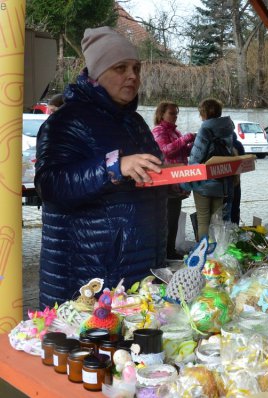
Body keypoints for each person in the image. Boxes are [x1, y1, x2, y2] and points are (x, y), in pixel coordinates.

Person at [35, 27, 167, 308]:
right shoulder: (65, 122)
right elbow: (50, 185)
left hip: (138, 271)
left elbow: (150, 175)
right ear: (96, 74)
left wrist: (176, 179)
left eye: (136, 68)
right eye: (121, 68)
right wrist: (113, 168)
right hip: (87, 278)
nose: (132, 75)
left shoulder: (136, 124)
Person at [151, 101, 196, 259]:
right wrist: (186, 138)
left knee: (173, 218)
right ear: (161, 114)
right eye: (171, 113)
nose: (175, 117)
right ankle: (164, 252)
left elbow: (181, 151)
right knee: (166, 220)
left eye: (176, 114)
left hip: (178, 182)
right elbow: (166, 151)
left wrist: (194, 145)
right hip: (166, 183)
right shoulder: (158, 130)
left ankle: (170, 250)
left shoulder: (175, 132)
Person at [187, 98, 235, 239]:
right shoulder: (228, 128)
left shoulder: (205, 129)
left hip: (204, 181)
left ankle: (204, 254)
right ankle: (217, 253)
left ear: (204, 112)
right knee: (217, 220)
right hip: (221, 180)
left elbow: (196, 157)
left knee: (203, 219)